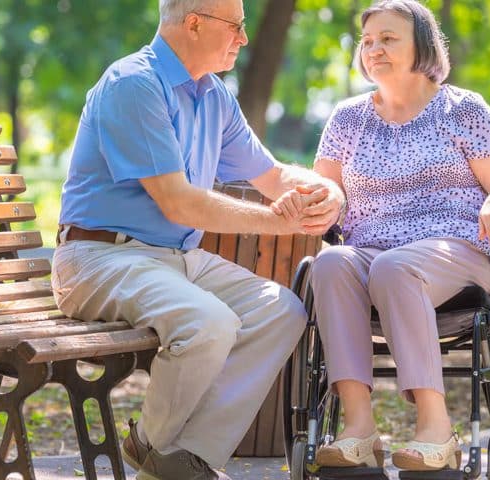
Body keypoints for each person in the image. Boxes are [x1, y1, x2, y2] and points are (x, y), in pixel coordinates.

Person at [52, 1, 343, 479]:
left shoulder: (214, 96)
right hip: (98, 257)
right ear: (194, 23)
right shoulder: (134, 85)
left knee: (280, 311)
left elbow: (273, 177)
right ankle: (152, 449)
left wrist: (326, 194)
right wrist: (279, 221)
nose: (244, 39)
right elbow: (178, 203)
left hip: (173, 259)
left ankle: (184, 459)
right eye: (237, 26)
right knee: (208, 321)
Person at [296, 0, 490, 472]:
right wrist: (317, 201)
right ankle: (359, 429)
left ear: (422, 47)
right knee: (329, 263)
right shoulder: (347, 119)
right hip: (369, 250)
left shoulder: (462, 109)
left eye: (388, 38)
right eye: (367, 41)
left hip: (456, 253)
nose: (374, 49)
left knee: (395, 266)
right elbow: (327, 188)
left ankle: (435, 429)